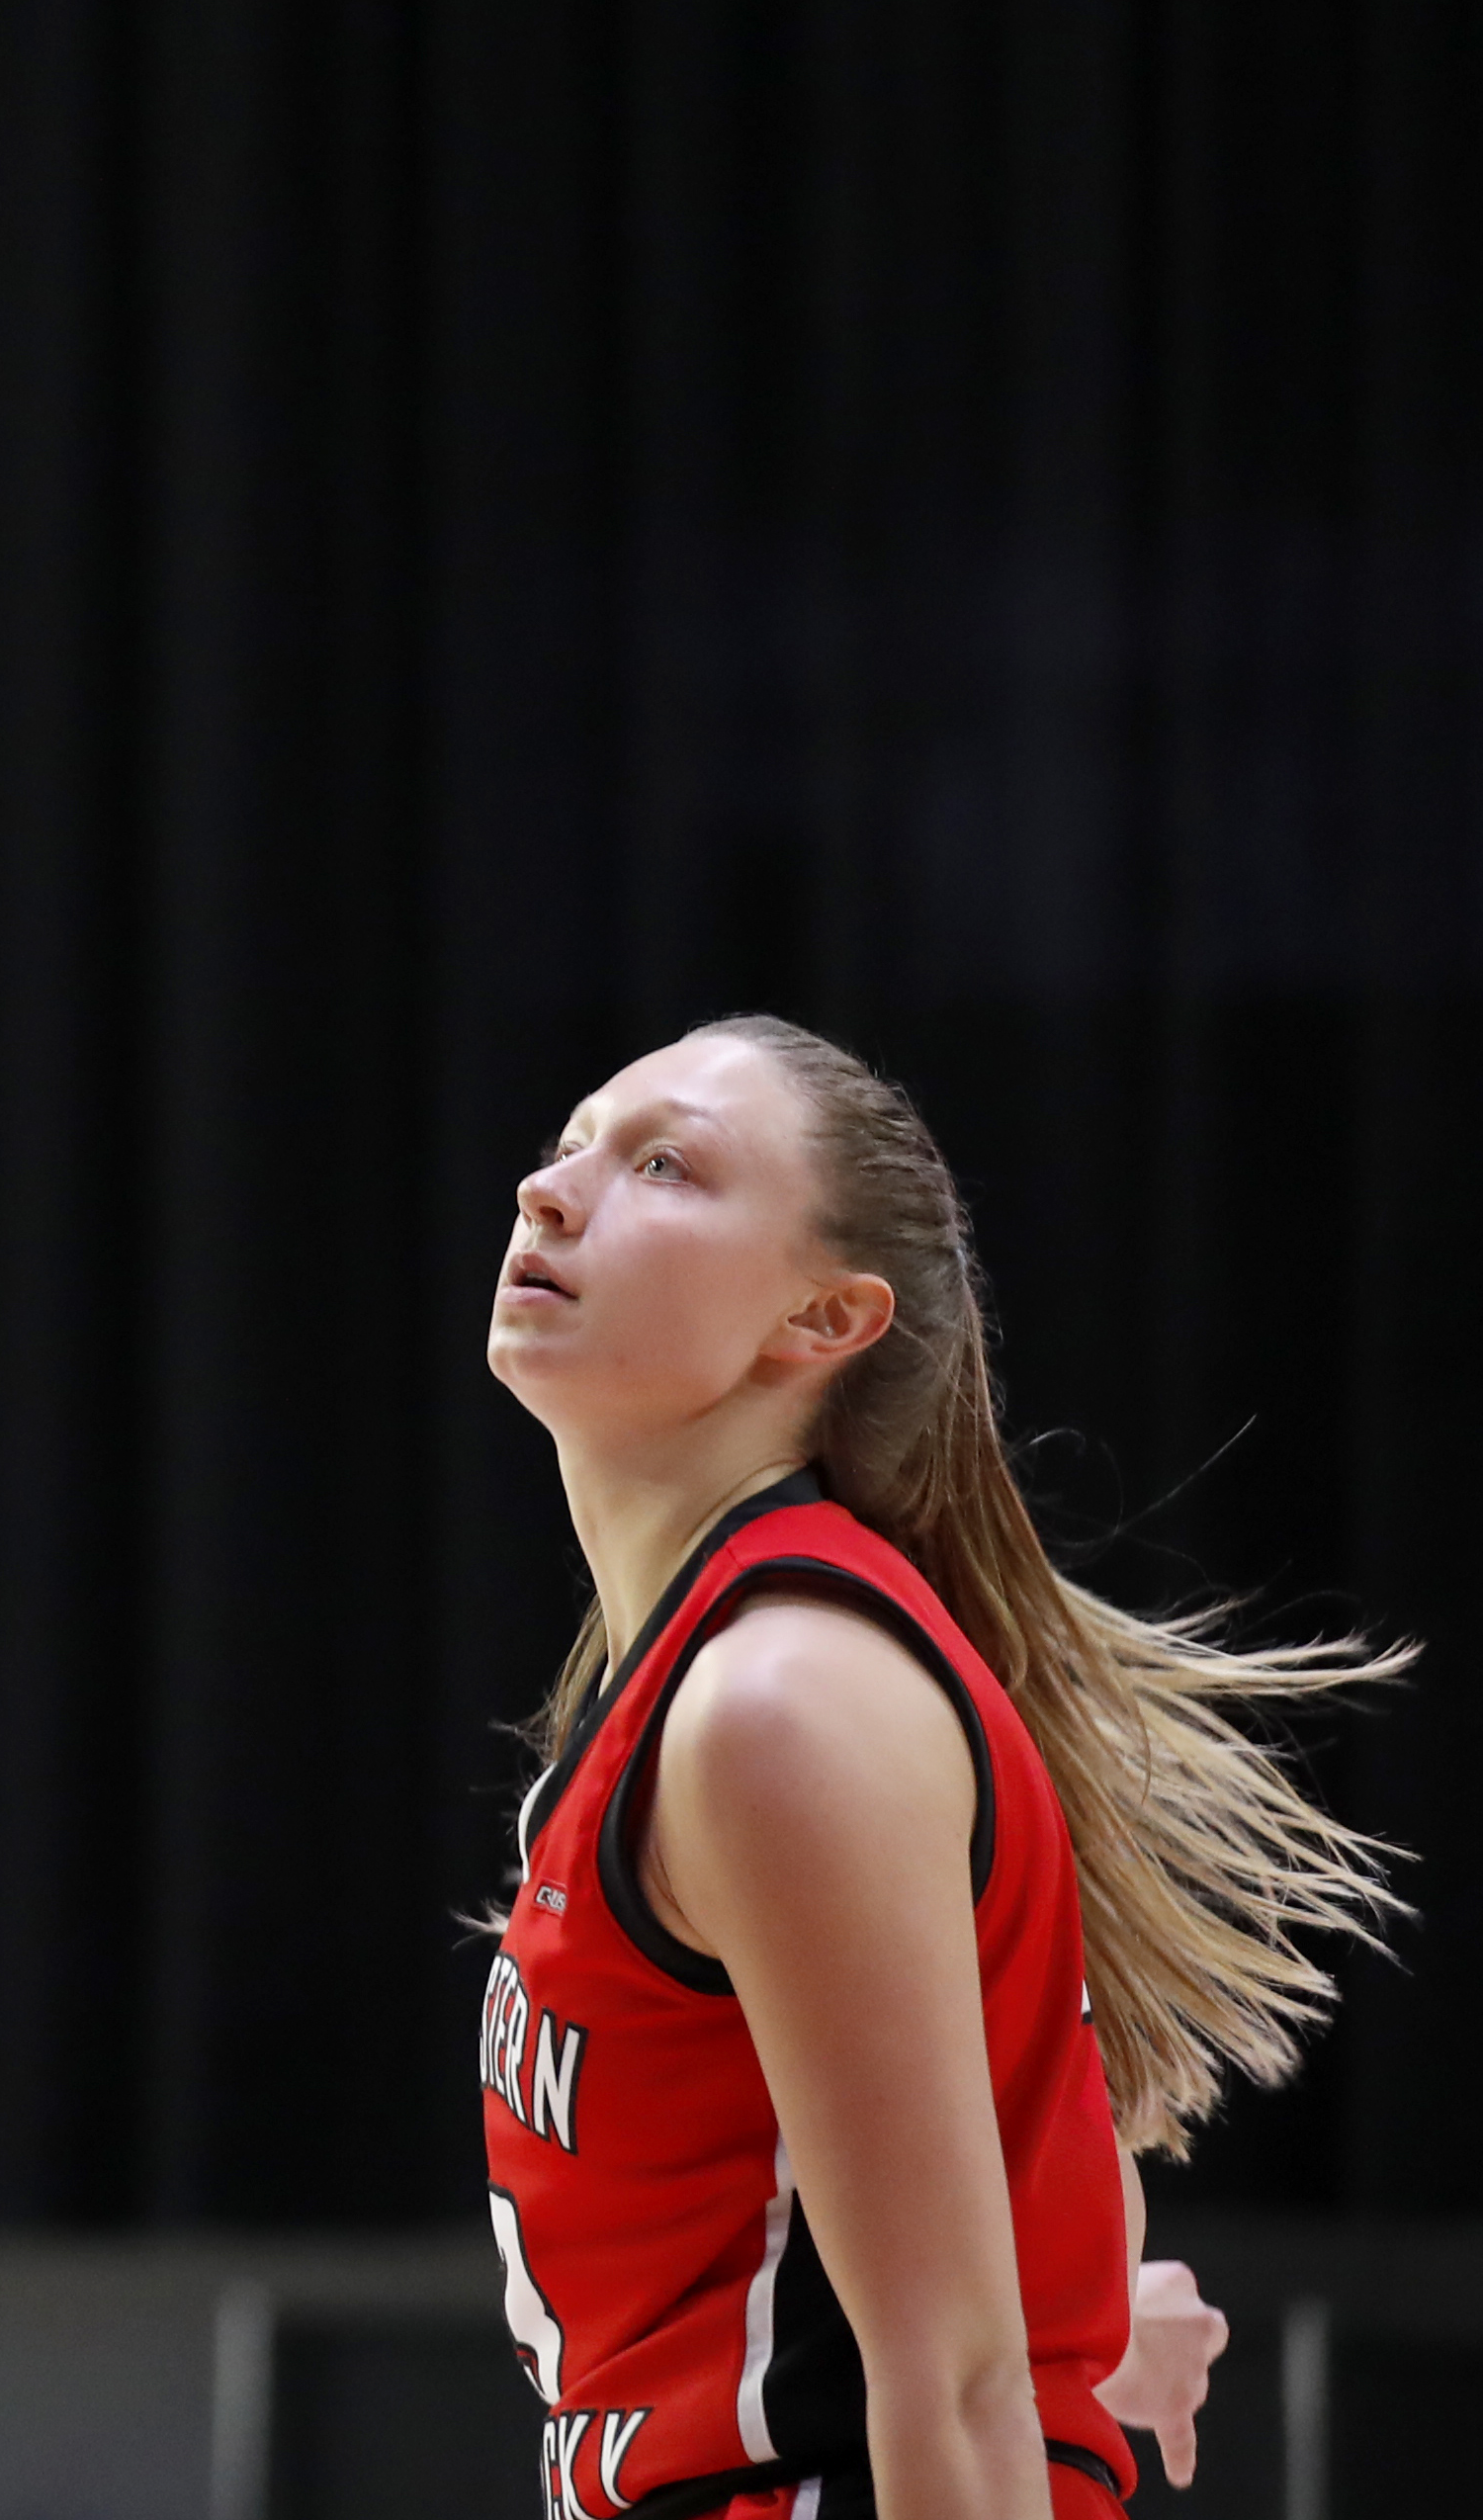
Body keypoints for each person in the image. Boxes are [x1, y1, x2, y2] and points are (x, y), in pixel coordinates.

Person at [477, 1015, 1403, 2519]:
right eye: (568, 1141)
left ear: (824, 1316)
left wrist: (1029, 2377)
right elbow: (1008, 2182)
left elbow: (956, 2380)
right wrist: (1090, 2331)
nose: (555, 1190)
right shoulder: (720, 1667)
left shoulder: (782, 1700)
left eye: (663, 1163)